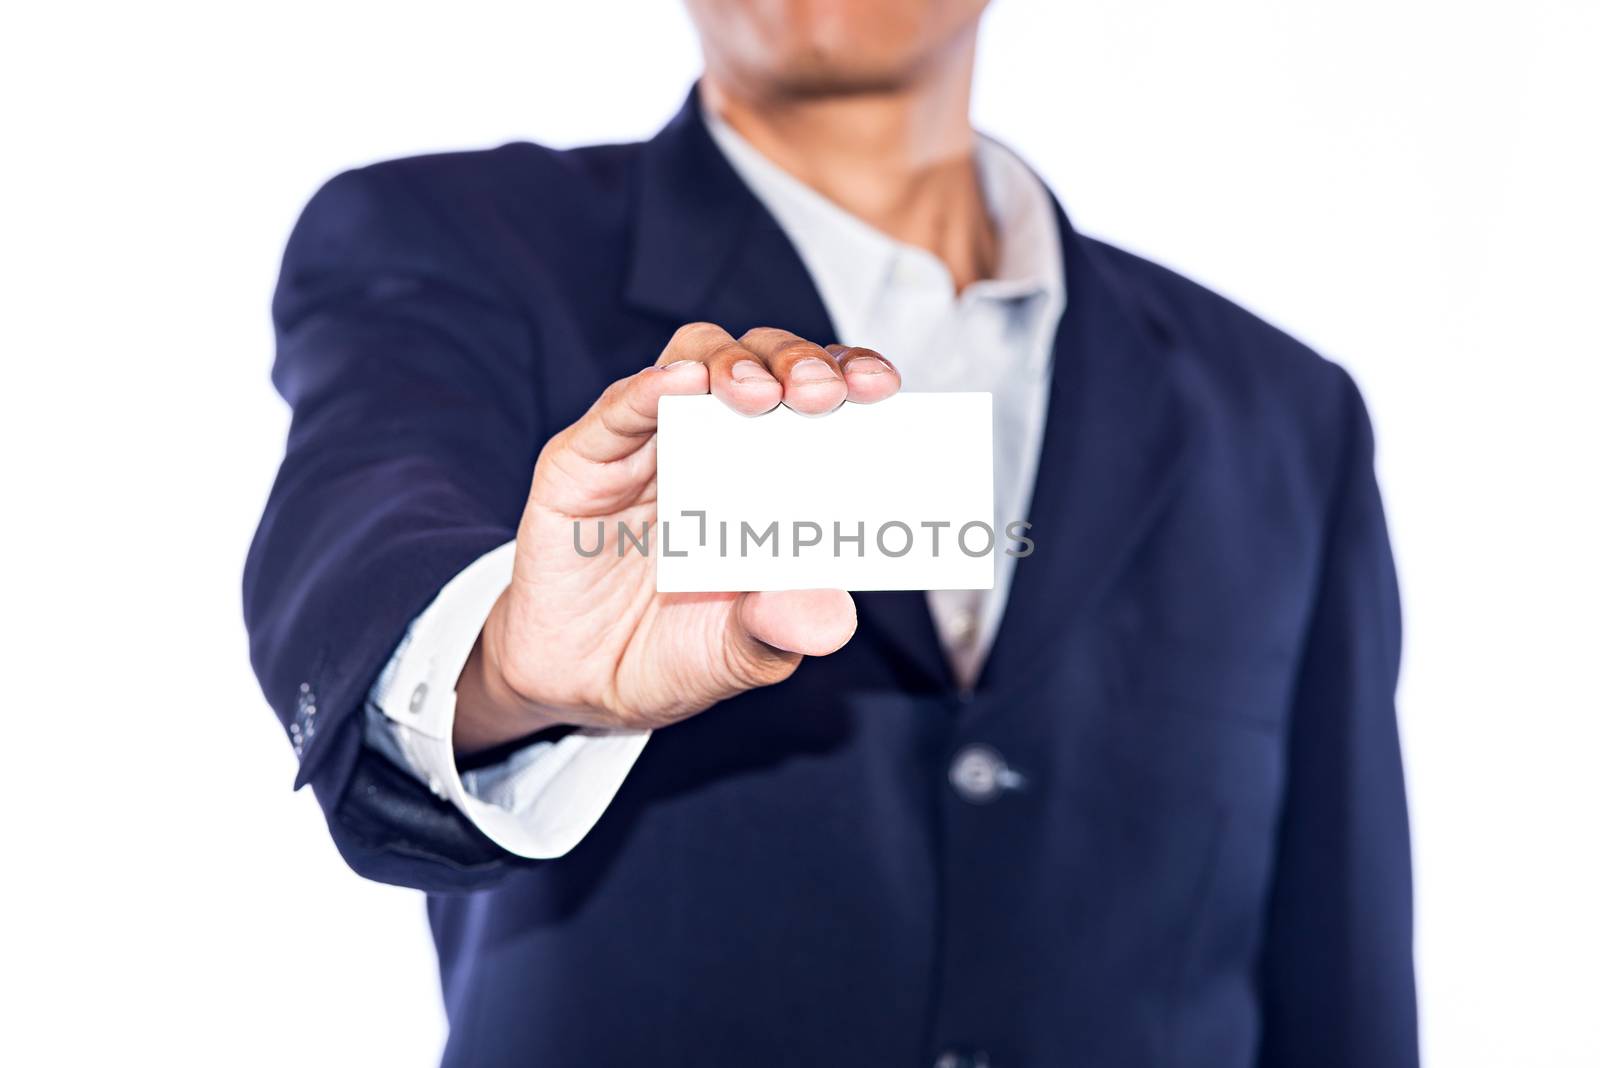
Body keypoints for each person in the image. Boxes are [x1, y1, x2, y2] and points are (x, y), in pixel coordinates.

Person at [244, 1, 1416, 1064]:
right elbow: (367, 516)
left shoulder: (1282, 414)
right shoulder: (454, 243)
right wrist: (507, 661)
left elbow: (1337, 974)